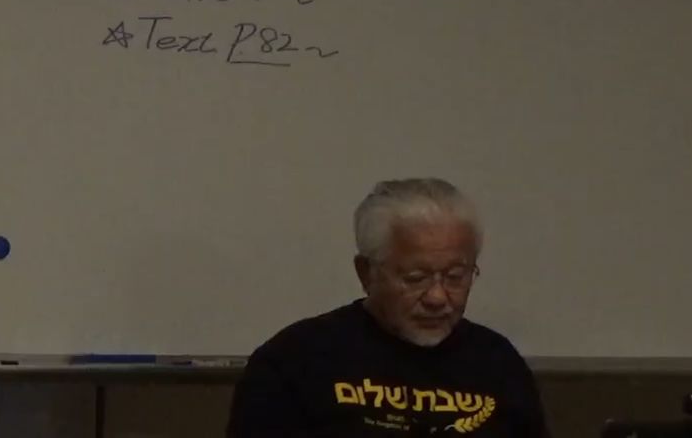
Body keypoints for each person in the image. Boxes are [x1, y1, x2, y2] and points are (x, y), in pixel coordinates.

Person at [226, 178, 549, 437]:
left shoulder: (498, 363)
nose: (437, 297)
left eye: (455, 276)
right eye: (415, 278)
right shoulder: (295, 361)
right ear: (366, 273)